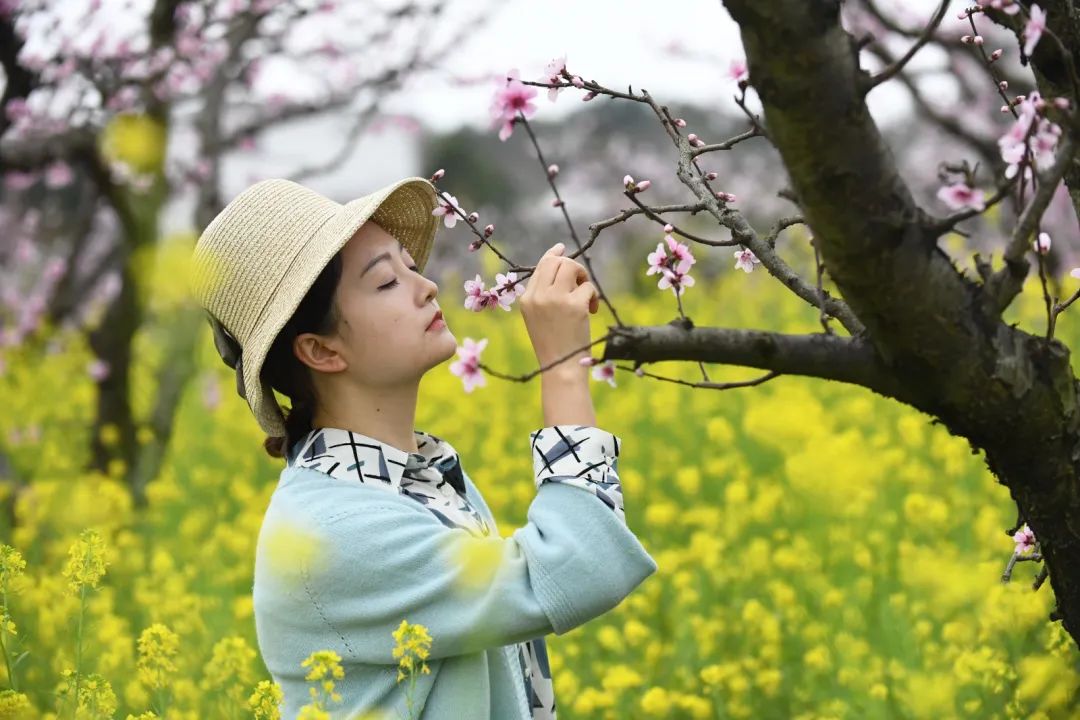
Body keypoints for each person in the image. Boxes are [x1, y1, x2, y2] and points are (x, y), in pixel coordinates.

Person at [189, 176, 657, 720]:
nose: (427, 286)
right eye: (386, 282)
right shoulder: (336, 531)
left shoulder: (412, 478)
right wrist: (562, 368)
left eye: (410, 265)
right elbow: (579, 569)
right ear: (320, 350)